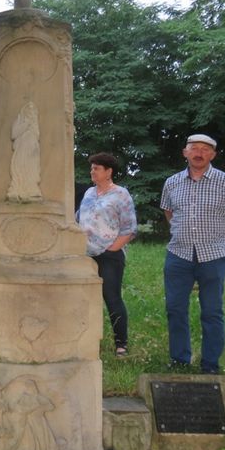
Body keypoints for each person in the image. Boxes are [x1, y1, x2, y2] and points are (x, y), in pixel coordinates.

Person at [161, 134, 225, 374]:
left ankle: (210, 364)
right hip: (178, 255)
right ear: (185, 152)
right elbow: (169, 214)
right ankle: (179, 360)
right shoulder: (172, 183)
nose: (199, 153)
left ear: (213, 155)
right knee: (175, 309)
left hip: (213, 257)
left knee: (212, 311)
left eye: (205, 150)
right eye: (194, 148)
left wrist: (220, 246)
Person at [77, 153, 138, 357]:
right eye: (92, 168)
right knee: (83, 298)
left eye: (97, 168)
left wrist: (112, 248)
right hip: (85, 255)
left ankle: (121, 344)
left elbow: (130, 227)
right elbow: (79, 219)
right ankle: (85, 339)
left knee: (111, 297)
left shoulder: (121, 194)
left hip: (110, 254)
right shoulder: (88, 193)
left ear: (108, 172)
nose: (92, 171)